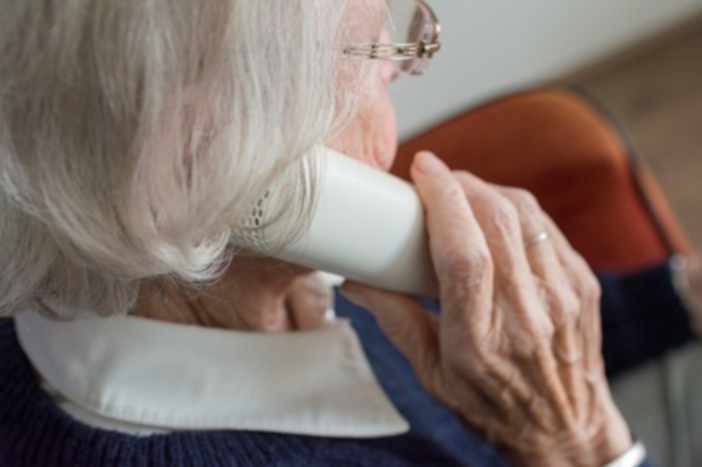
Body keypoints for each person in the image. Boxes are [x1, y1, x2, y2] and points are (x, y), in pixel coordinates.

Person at [0, 1, 699, 466]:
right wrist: (581, 441)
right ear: (199, 164)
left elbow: (486, 333)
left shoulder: (273, 268)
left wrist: (674, 295)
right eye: (376, 53)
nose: (406, 66)